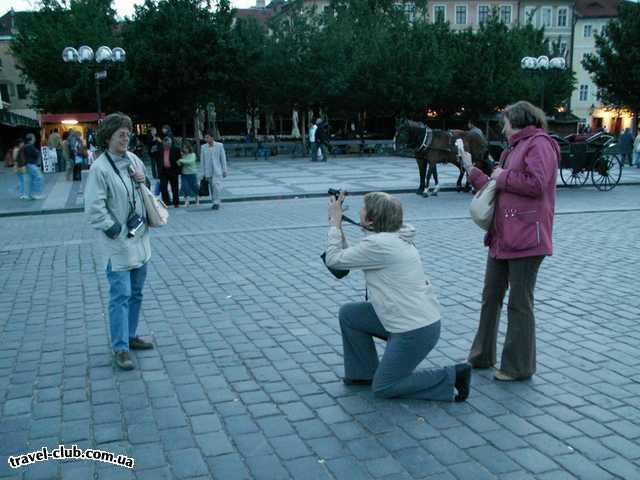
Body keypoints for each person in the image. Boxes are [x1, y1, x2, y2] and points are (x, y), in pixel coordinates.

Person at [324, 191, 471, 402]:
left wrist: (334, 224)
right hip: (414, 320)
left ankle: (453, 376)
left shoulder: (381, 245)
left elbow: (334, 260)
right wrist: (338, 227)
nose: (359, 210)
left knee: (384, 387)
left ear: (372, 219)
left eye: (363, 208)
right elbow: (348, 258)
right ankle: (363, 373)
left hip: (414, 330)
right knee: (350, 314)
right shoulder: (393, 237)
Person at [459, 101, 559, 381]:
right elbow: (496, 189)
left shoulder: (539, 144)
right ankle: (482, 356)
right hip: (502, 236)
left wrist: (502, 176)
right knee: (490, 297)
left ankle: (518, 366)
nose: (502, 128)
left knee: (519, 303)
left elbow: (536, 183)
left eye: (504, 122)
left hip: (527, 238)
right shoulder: (513, 148)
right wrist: (471, 170)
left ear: (516, 120)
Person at [85, 112, 154, 371]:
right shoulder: (100, 168)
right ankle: (120, 348)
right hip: (118, 243)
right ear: (108, 137)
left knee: (136, 292)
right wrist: (115, 229)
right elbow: (94, 208)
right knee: (121, 294)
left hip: (140, 237)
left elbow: (146, 189)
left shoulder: (134, 159)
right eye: (120, 134)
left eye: (128, 133)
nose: (126, 138)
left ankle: (130, 336)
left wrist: (143, 180)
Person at [200, 131, 228, 210]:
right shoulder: (203, 147)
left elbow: (223, 159)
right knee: (212, 188)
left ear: (212, 137)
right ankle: (214, 202)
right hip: (208, 171)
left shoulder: (219, 145)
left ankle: (217, 202)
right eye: (205, 137)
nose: (206, 139)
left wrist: (224, 170)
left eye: (207, 137)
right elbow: (202, 161)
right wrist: (202, 173)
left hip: (217, 170)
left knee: (216, 186)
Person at [153, 136, 181, 207]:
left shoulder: (176, 149)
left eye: (168, 144)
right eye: (165, 144)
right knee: (163, 187)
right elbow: (154, 157)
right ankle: (166, 202)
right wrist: (153, 150)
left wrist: (178, 170)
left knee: (175, 187)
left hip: (173, 170)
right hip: (163, 171)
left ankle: (176, 203)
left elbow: (179, 160)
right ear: (163, 144)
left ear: (171, 143)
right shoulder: (159, 149)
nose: (167, 146)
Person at [23, 133, 45, 200]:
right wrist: (37, 152)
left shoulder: (26, 146)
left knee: (31, 179)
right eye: (34, 137)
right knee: (39, 178)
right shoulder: (30, 146)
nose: (35, 139)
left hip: (28, 164)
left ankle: (30, 194)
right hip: (31, 164)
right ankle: (36, 194)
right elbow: (35, 154)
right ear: (31, 138)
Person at [178, 141, 199, 206]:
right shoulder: (182, 155)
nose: (185, 150)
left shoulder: (193, 154)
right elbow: (178, 163)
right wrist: (180, 160)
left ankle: (197, 199)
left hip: (192, 173)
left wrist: (181, 160)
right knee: (185, 187)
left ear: (189, 148)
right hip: (184, 174)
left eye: (186, 148)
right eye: (184, 148)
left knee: (194, 187)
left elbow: (190, 161)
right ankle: (186, 201)